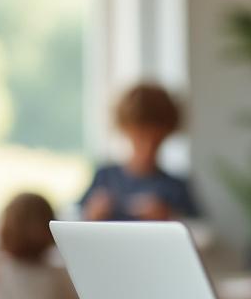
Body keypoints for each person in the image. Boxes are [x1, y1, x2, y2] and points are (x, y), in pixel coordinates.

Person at [80, 83, 199, 222]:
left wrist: (171, 218)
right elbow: (74, 217)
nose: (148, 147)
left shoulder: (176, 187)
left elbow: (199, 230)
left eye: (156, 140)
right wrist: (92, 213)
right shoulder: (104, 177)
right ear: (126, 130)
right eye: (140, 137)